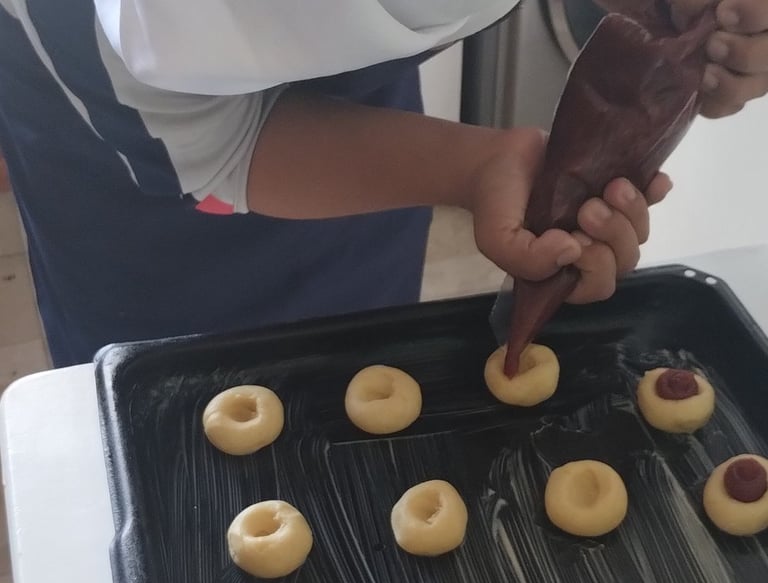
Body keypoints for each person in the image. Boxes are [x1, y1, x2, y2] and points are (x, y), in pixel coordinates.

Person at [0, 0, 765, 368]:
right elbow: (223, 146)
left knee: (363, 350)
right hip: (130, 210)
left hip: (354, 123)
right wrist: (466, 166)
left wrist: (665, 27)